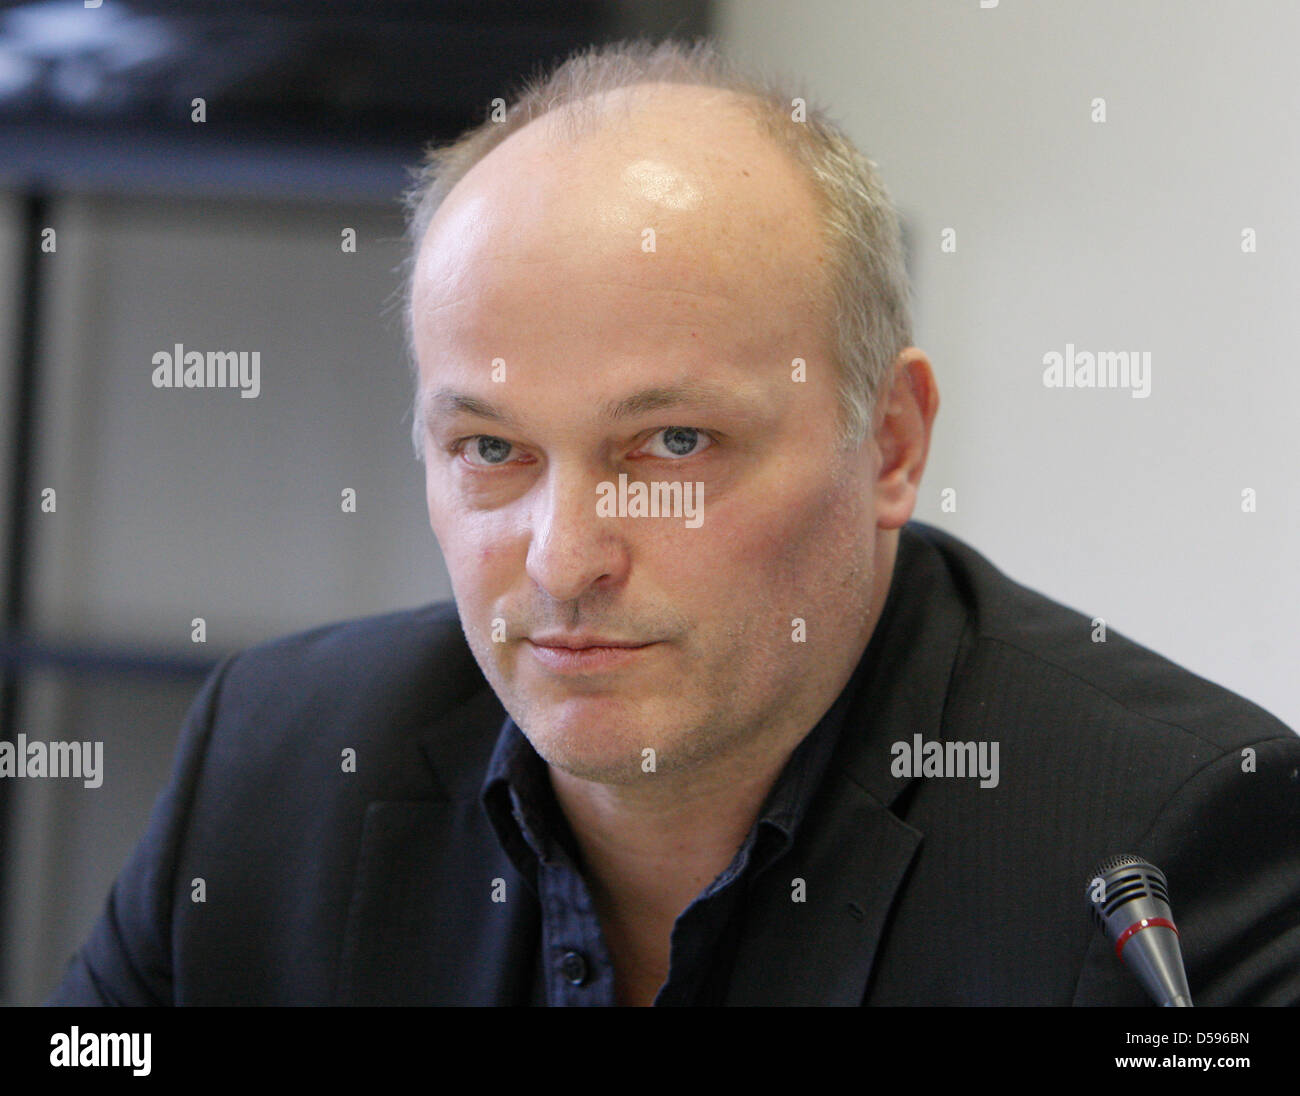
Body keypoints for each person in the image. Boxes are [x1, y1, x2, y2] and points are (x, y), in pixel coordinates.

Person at [48, 39, 1300, 1006]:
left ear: (892, 445)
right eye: (492, 450)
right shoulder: (274, 761)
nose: (564, 557)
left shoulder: (1163, 849)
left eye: (674, 446)